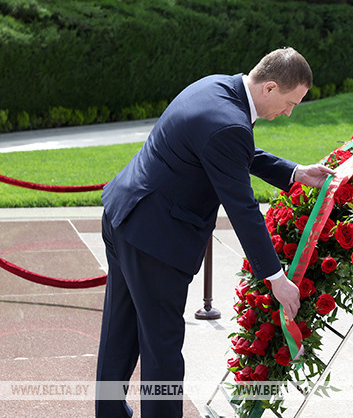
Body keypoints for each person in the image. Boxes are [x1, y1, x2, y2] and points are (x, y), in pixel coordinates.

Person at [95, 47, 334, 418]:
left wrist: (294, 172)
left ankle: (108, 412)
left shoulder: (218, 88)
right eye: (290, 103)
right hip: (155, 238)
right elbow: (243, 209)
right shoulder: (229, 123)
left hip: (125, 214)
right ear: (270, 88)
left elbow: (232, 152)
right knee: (162, 350)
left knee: (119, 332)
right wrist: (275, 277)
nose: (288, 113)